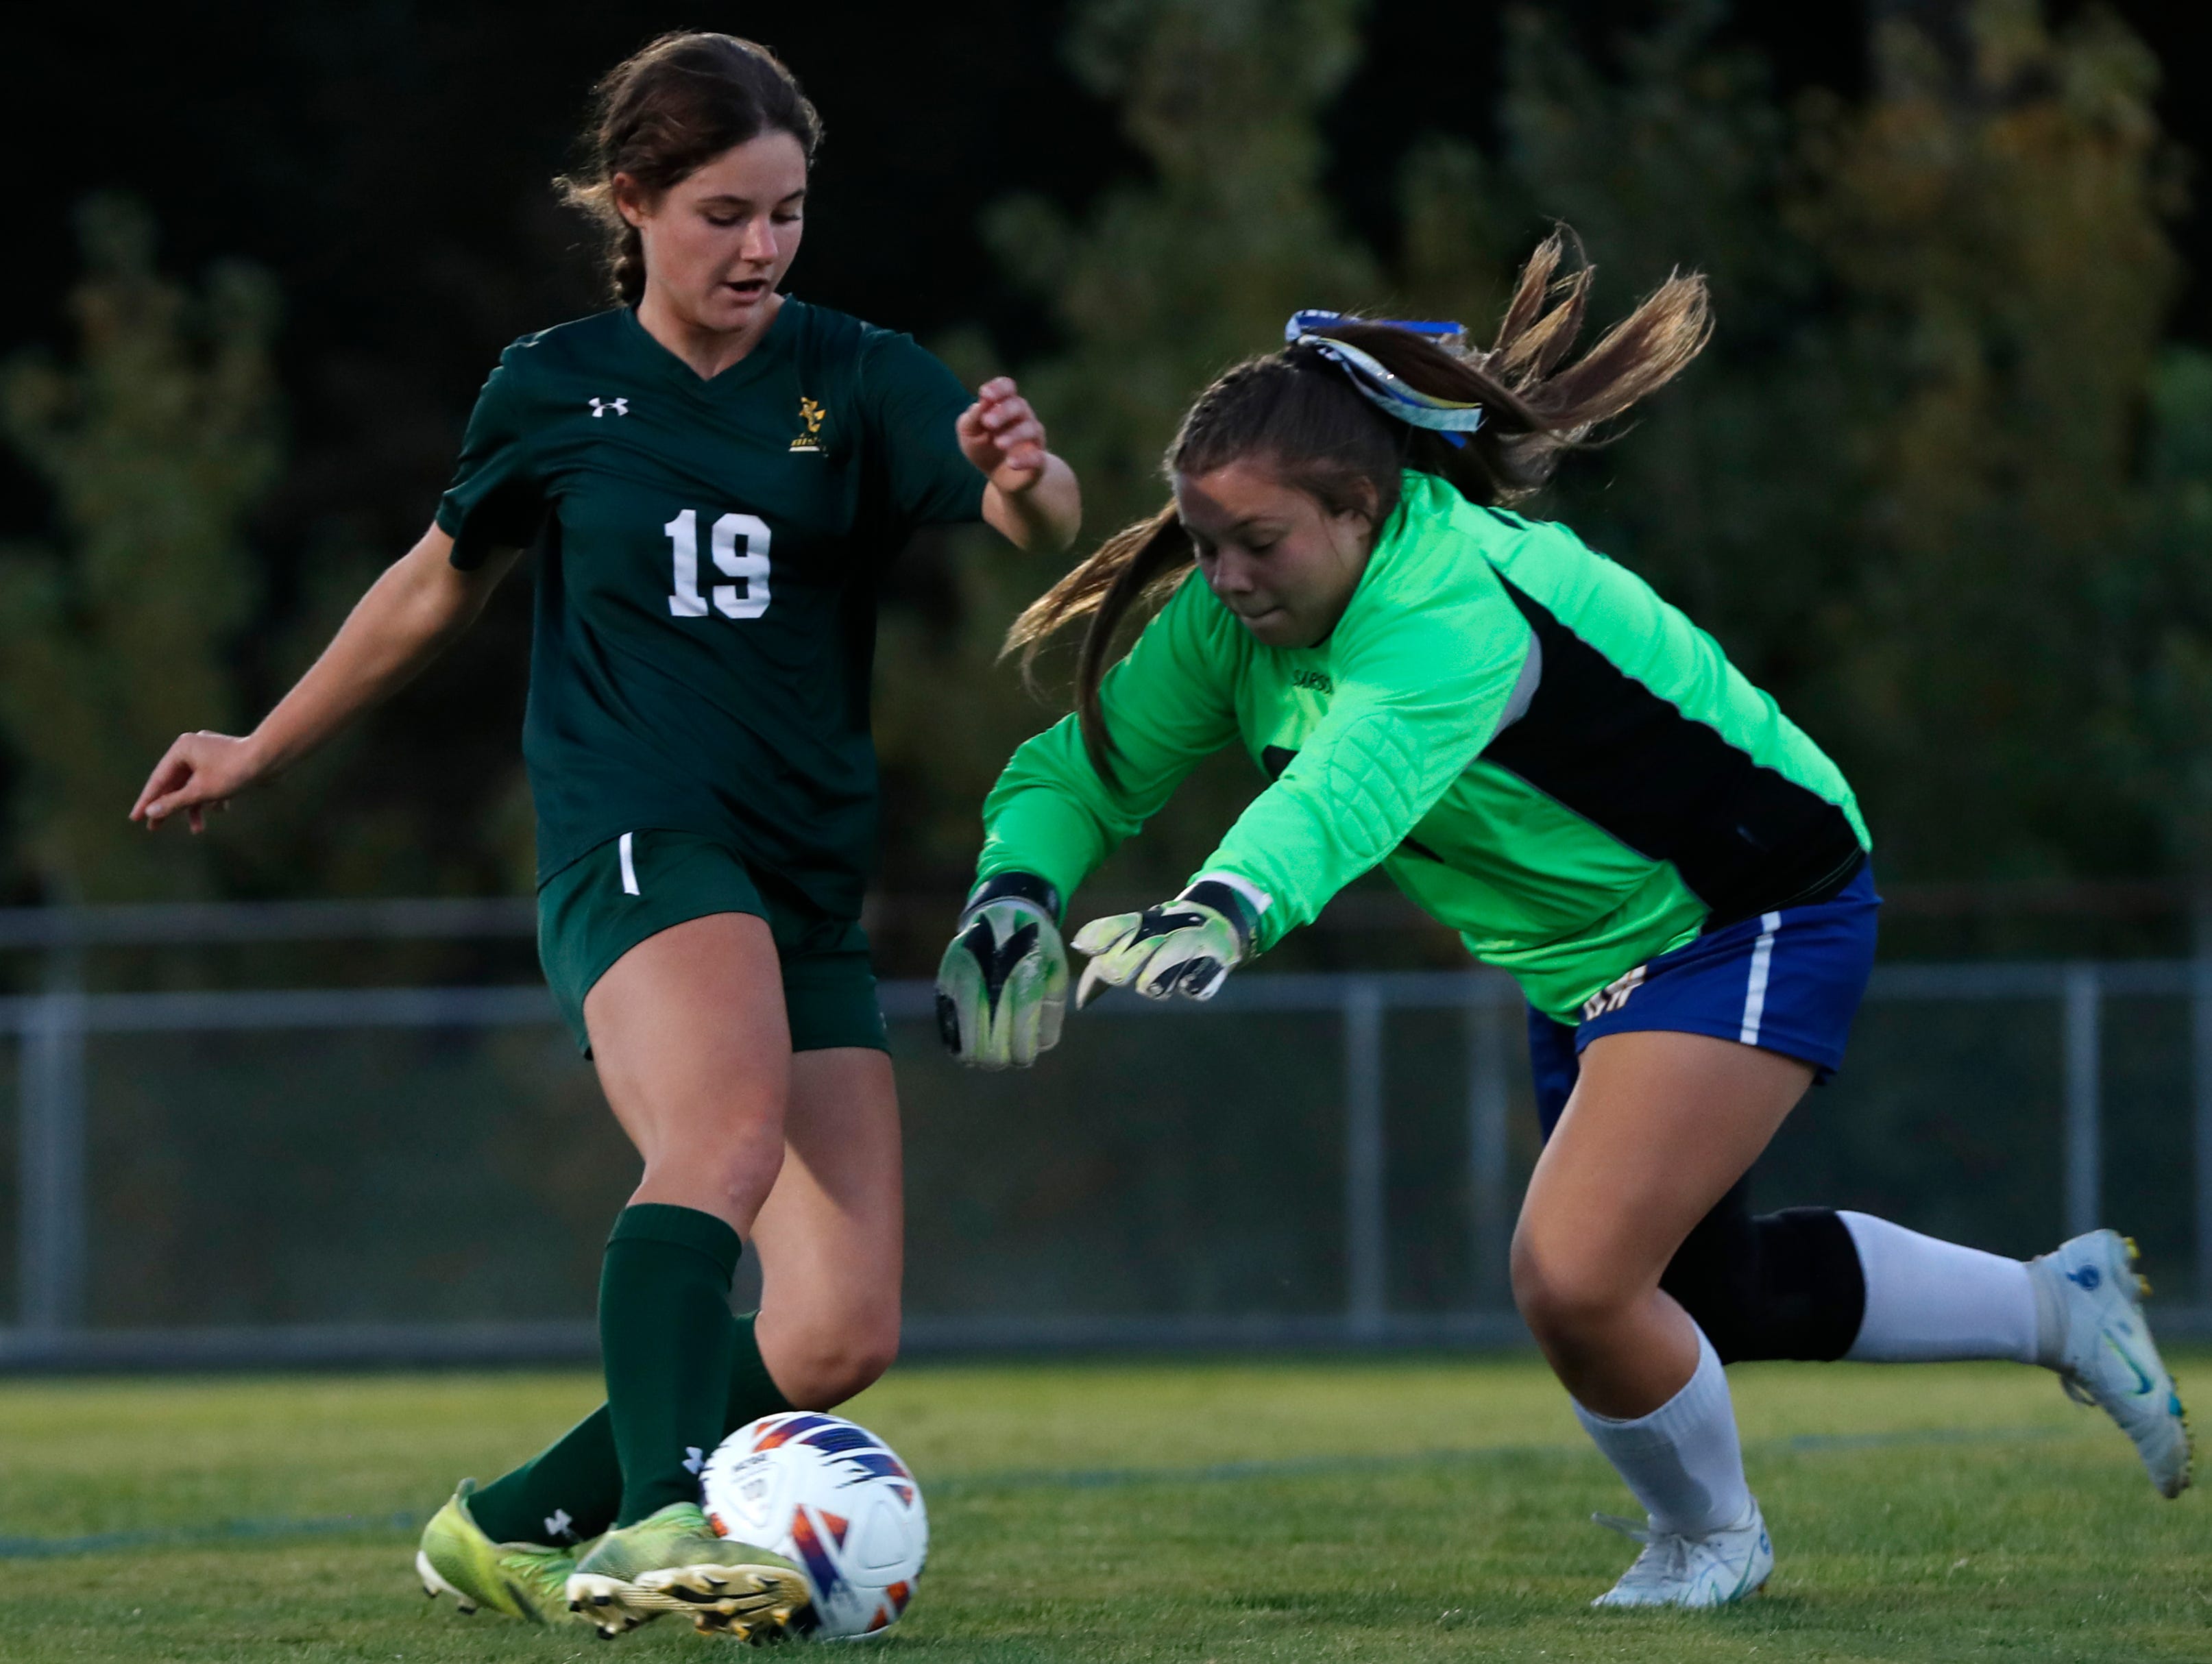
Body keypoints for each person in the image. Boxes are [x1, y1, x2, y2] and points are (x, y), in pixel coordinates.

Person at [934, 234, 2188, 1610]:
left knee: (1576, 1273)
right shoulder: (1237, 623)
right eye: (1209, 540)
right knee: (1715, 1300)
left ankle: (1712, 1539)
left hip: (1751, 899)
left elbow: (1355, 785)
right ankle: (2063, 1305)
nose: (1224, 575)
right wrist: (1015, 891)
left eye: (1258, 540)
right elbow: (1078, 772)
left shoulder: (1447, 603)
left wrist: (1225, 905)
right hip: (1593, 958)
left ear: (1363, 507)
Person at [130, 31, 1079, 1641]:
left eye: (786, 212)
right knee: (718, 1143)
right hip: (637, 835)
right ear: (634, 201)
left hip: (804, 874)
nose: (763, 247)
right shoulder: (554, 387)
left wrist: (1030, 473)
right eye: (724, 213)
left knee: (841, 1327)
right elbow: (438, 580)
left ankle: (503, 1523)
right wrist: (262, 743)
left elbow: (1026, 516)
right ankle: (652, 1516)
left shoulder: (854, 372)